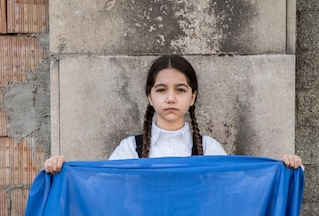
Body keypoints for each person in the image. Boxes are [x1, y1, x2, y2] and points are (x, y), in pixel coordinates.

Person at [44, 54, 302, 173]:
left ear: (193, 97)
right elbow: (99, 192)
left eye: (180, 90)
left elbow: (241, 191)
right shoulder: (129, 150)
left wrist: (287, 171)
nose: (170, 98)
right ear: (149, 96)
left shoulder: (210, 150)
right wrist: (59, 173)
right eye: (161, 89)